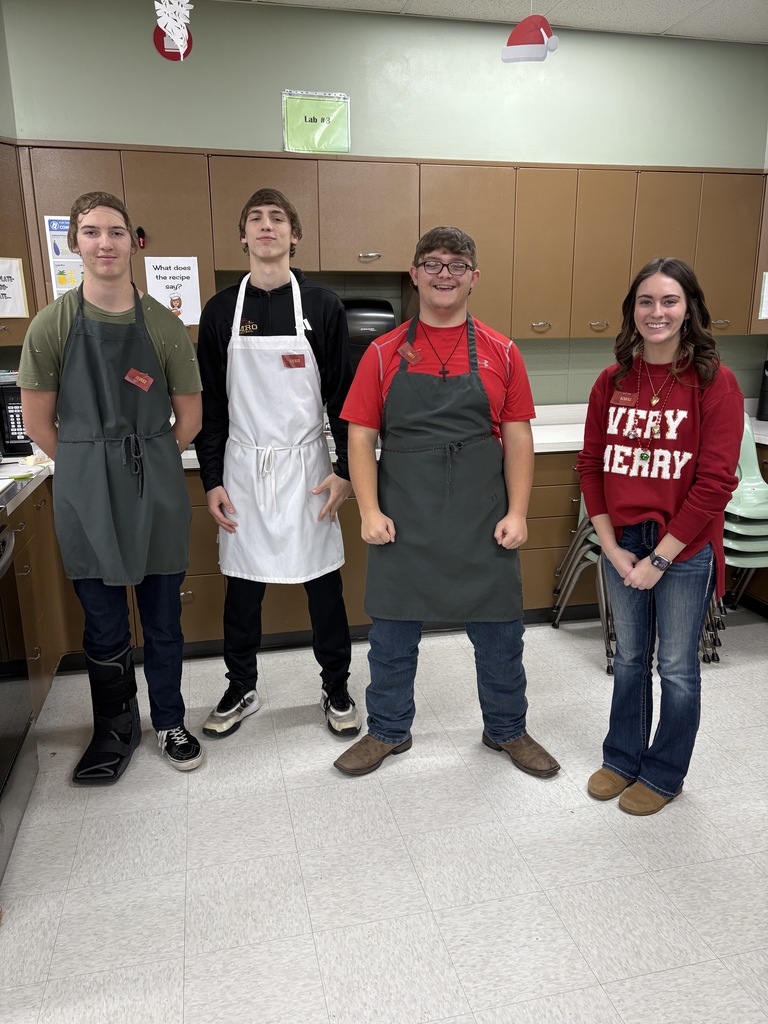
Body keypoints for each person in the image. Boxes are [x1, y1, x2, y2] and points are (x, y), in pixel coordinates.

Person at [334, 226, 560, 778]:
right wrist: (367, 510)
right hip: (403, 517)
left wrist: (517, 512)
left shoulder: (503, 351)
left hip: (482, 515)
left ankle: (507, 728)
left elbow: (518, 435)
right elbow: (360, 437)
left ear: (474, 278)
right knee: (391, 635)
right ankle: (387, 730)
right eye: (432, 263)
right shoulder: (384, 353)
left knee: (501, 633)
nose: (443, 274)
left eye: (456, 265)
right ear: (414, 274)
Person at [19, 191, 203, 783]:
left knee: (164, 622)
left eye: (116, 232)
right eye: (92, 232)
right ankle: (114, 728)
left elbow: (190, 418)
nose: (105, 243)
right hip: (85, 492)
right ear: (75, 243)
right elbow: (41, 424)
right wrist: (90, 466)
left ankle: (171, 720)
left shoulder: (164, 326)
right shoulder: (52, 325)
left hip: (156, 486)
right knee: (103, 624)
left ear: (134, 242)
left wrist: (147, 456)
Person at [578, 257, 743, 815]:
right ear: (632, 312)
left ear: (689, 309)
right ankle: (622, 758)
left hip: (686, 547)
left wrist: (661, 559)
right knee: (628, 659)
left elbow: (716, 483)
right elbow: (591, 467)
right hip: (622, 541)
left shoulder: (714, 384)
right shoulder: (614, 380)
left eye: (669, 301)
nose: (657, 312)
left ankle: (665, 771)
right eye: (645, 302)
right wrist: (612, 545)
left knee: (675, 668)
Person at [195, 188, 360, 739]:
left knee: (324, 589)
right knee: (242, 590)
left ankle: (336, 686)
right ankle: (241, 687)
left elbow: (342, 398)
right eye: (256, 219)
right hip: (244, 468)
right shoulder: (220, 311)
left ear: (294, 236)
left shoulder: (322, 305)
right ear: (242, 235)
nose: (267, 227)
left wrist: (345, 473)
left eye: (278, 219)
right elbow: (212, 408)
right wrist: (213, 479)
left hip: (309, 468)